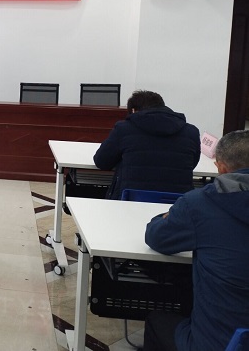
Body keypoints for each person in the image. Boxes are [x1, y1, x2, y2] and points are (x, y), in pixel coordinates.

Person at [143, 129, 249, 351]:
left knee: (157, 320)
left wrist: (164, 217)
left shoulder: (200, 204)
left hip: (220, 343)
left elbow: (157, 237)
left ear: (221, 168)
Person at [93, 90, 200, 199]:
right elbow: (192, 164)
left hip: (131, 201)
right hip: (177, 204)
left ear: (133, 111)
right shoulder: (191, 132)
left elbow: (101, 161)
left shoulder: (124, 129)